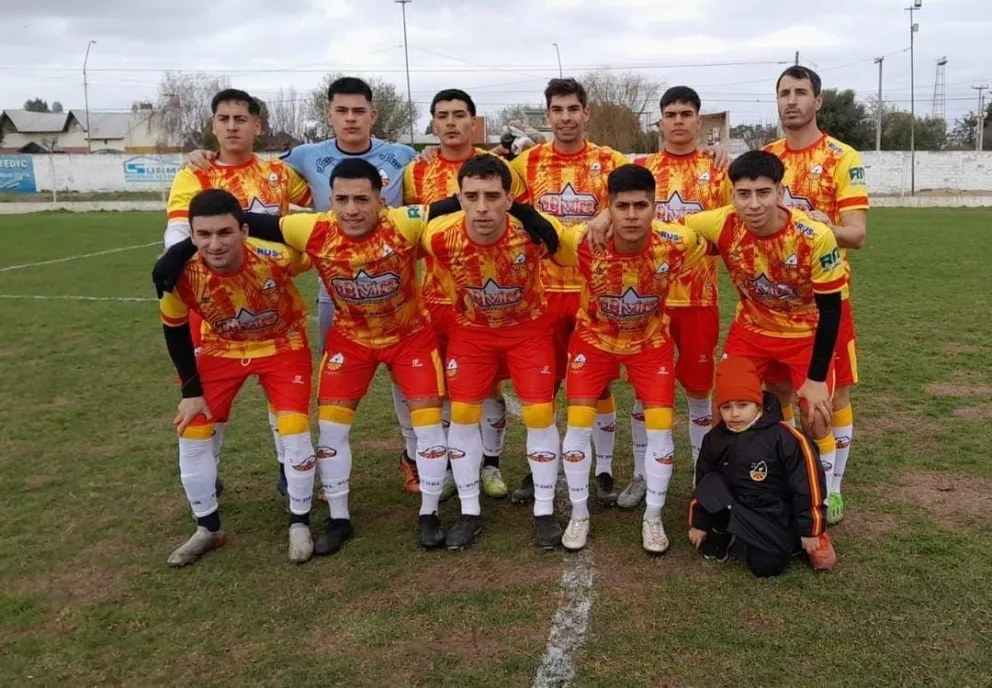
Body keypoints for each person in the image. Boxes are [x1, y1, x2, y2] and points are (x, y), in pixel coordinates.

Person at [184, 78, 424, 496]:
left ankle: (414, 457)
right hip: (336, 294)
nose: (350, 118)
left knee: (409, 382)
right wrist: (205, 156)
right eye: (341, 111)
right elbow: (255, 172)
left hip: (398, 294)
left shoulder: (404, 155)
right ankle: (299, 467)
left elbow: (429, 206)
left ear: (373, 114)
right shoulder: (303, 158)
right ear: (329, 114)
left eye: (358, 111)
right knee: (330, 387)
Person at [164, 88, 313, 502]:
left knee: (280, 395)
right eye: (224, 119)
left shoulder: (279, 175)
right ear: (213, 125)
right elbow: (178, 229)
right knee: (208, 401)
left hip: (271, 301)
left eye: (241, 119)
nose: (232, 127)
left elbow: (324, 193)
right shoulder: (195, 174)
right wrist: (173, 258)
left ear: (257, 126)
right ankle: (205, 476)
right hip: (211, 308)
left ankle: (289, 471)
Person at [419, 154, 571, 550]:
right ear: (458, 197)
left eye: (492, 196)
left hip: (528, 331)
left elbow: (582, 241)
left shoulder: (534, 232)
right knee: (464, 416)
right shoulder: (436, 234)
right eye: (471, 196)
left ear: (509, 198)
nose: (482, 207)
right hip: (471, 331)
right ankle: (470, 511)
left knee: (540, 414)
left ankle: (543, 511)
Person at [157, 188, 317, 566]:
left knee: (294, 430)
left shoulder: (278, 257)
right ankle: (207, 528)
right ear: (191, 237)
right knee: (193, 430)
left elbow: (324, 244)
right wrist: (191, 392)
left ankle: (299, 522)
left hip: (282, 346)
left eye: (225, 233)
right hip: (220, 349)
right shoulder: (177, 275)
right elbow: (174, 329)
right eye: (204, 235)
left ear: (244, 230)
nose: (215, 244)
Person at [558, 165, 708, 553]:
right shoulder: (581, 240)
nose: (630, 214)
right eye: (620, 206)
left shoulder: (679, 241)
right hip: (593, 342)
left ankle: (653, 518)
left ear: (655, 207)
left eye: (640, 205)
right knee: (577, 423)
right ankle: (579, 514)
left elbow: (726, 227)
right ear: (607, 206)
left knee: (660, 428)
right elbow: (543, 236)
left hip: (650, 343)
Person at [682, 150, 845, 485]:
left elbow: (831, 311)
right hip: (751, 331)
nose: (753, 204)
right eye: (743, 194)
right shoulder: (720, 222)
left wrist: (815, 381)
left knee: (816, 417)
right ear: (733, 196)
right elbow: (662, 230)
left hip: (806, 334)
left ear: (780, 193)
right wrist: (603, 220)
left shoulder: (814, 236)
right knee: (724, 408)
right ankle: (728, 484)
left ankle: (825, 493)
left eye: (763, 193)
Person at [508, 77, 631, 507]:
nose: (565, 117)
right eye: (557, 110)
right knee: (544, 384)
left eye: (572, 109)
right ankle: (538, 463)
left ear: (586, 113)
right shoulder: (527, 163)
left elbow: (632, 202)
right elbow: (506, 202)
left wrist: (603, 214)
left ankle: (603, 469)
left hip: (592, 292)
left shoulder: (609, 160)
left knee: (595, 386)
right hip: (539, 293)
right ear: (547, 115)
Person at [402, 89, 528, 500]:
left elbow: (520, 216)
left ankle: (490, 465)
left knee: (488, 386)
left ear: (473, 122)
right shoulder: (415, 172)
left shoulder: (500, 167)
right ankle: (454, 467)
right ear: (433, 123)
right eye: (442, 116)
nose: (451, 123)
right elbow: (405, 229)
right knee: (440, 391)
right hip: (433, 300)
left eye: (460, 115)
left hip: (485, 301)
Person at [764, 66, 870, 524]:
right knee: (780, 395)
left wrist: (823, 226)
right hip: (770, 302)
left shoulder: (842, 157)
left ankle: (833, 490)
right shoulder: (765, 156)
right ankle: (796, 478)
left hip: (826, 302)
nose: (792, 100)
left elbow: (858, 234)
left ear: (818, 101)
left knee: (833, 400)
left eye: (801, 92)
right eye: (784, 93)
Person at [621, 85, 732, 509]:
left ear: (699, 121)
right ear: (661, 122)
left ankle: (704, 478)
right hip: (649, 302)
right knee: (644, 394)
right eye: (671, 114)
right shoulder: (643, 168)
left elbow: (729, 234)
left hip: (699, 301)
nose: (679, 120)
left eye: (687, 113)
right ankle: (637, 473)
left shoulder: (719, 171)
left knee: (700, 394)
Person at [688, 356, 837, 576]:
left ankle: (791, 539)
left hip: (771, 512)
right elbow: (703, 481)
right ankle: (722, 529)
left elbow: (808, 487)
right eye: (727, 407)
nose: (735, 413)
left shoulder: (786, 438)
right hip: (734, 504)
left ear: (757, 404)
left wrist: (810, 530)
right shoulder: (714, 438)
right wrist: (698, 523)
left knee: (766, 567)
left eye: (742, 405)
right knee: (713, 480)